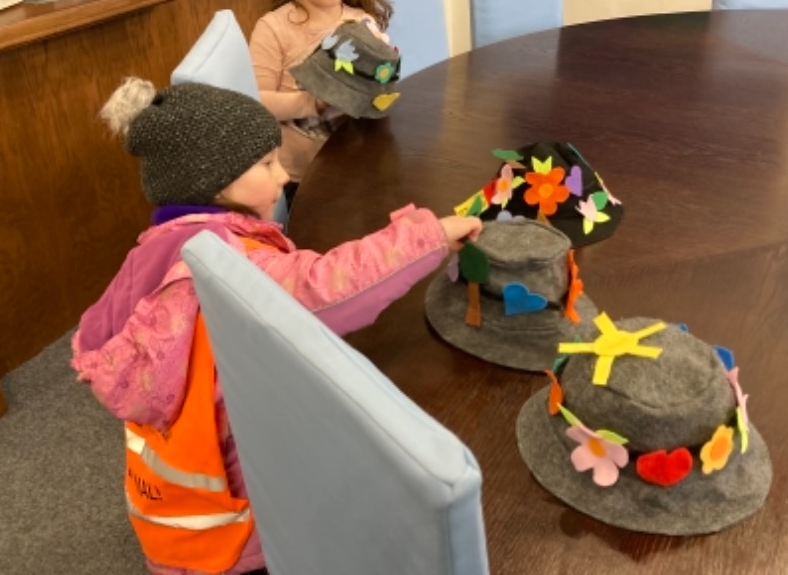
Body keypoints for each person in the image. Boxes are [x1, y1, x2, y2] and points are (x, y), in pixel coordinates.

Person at [71, 77, 481, 575]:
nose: (284, 175)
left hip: (170, 503)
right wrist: (429, 236)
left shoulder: (156, 248)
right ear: (212, 183)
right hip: (233, 526)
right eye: (266, 164)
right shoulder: (235, 265)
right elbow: (329, 286)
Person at [249, 0, 392, 205]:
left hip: (359, 165)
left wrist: (382, 71)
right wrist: (311, 102)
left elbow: (377, 98)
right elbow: (254, 103)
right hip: (299, 178)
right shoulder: (273, 28)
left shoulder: (363, 22)